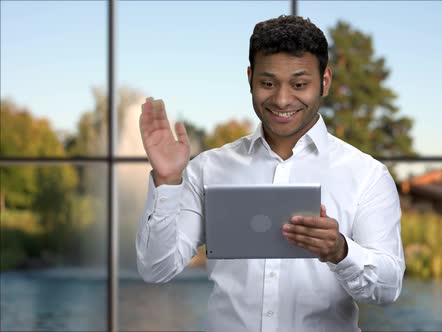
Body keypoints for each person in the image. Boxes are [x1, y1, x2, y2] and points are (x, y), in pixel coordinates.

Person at [136, 15, 405, 332]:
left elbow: (388, 290)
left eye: (300, 84)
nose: (281, 99)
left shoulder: (367, 175)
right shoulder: (208, 168)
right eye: (267, 83)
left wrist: (341, 251)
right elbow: (156, 269)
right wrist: (167, 181)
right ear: (250, 78)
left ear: (325, 81)